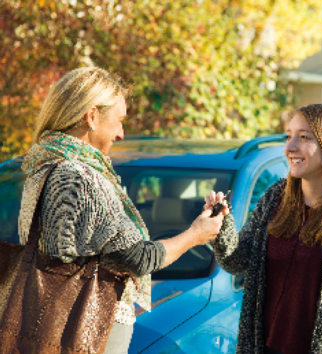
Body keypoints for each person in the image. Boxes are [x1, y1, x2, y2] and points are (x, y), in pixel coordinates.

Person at [18, 67, 225, 354]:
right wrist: (196, 234)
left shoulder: (41, 167)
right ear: (91, 117)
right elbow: (138, 258)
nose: (121, 133)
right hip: (88, 330)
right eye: (119, 121)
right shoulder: (82, 178)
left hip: (45, 322)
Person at [207, 104, 322, 354]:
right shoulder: (275, 197)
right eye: (289, 136)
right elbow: (238, 262)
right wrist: (222, 224)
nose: (290, 147)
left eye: (303, 137)